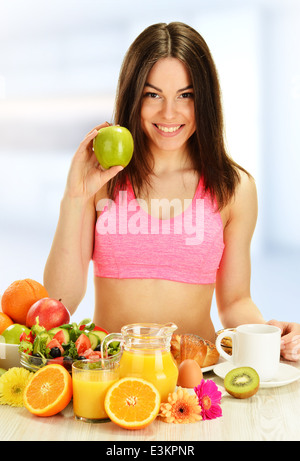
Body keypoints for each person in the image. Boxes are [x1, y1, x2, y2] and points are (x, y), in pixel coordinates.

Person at [43, 22, 300, 361]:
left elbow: (235, 302)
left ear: (205, 99)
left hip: (196, 378)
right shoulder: (100, 180)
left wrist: (270, 336)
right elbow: (59, 300)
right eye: (153, 95)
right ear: (133, 97)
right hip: (114, 374)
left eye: (185, 95)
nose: (169, 113)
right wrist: (74, 198)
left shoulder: (234, 188)